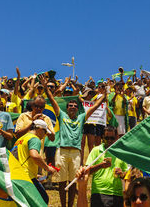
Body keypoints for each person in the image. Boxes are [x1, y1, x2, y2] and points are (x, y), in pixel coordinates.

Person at [41, 74, 107, 207]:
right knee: (61, 182)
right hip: (62, 151)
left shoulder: (82, 117)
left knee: (73, 181)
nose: (72, 107)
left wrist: (104, 96)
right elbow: (52, 100)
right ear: (67, 108)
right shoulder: (62, 115)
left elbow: (94, 107)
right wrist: (46, 88)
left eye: (74, 106)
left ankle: (70, 205)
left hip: (76, 153)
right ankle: (63, 205)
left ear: (78, 109)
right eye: (70, 105)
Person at [76, 126, 129, 207]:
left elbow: (127, 174)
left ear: (117, 138)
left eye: (112, 138)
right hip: (99, 193)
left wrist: (122, 173)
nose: (109, 141)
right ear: (102, 138)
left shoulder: (120, 153)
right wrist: (100, 166)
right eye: (106, 138)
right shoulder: (96, 150)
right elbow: (86, 172)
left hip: (117, 194)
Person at [12, 119, 57, 204]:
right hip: (26, 177)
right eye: (45, 132)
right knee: (43, 200)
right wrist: (47, 168)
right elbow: (34, 155)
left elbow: (20, 157)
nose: (45, 135)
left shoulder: (21, 139)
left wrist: (35, 174)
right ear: (39, 129)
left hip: (17, 175)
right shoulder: (35, 139)